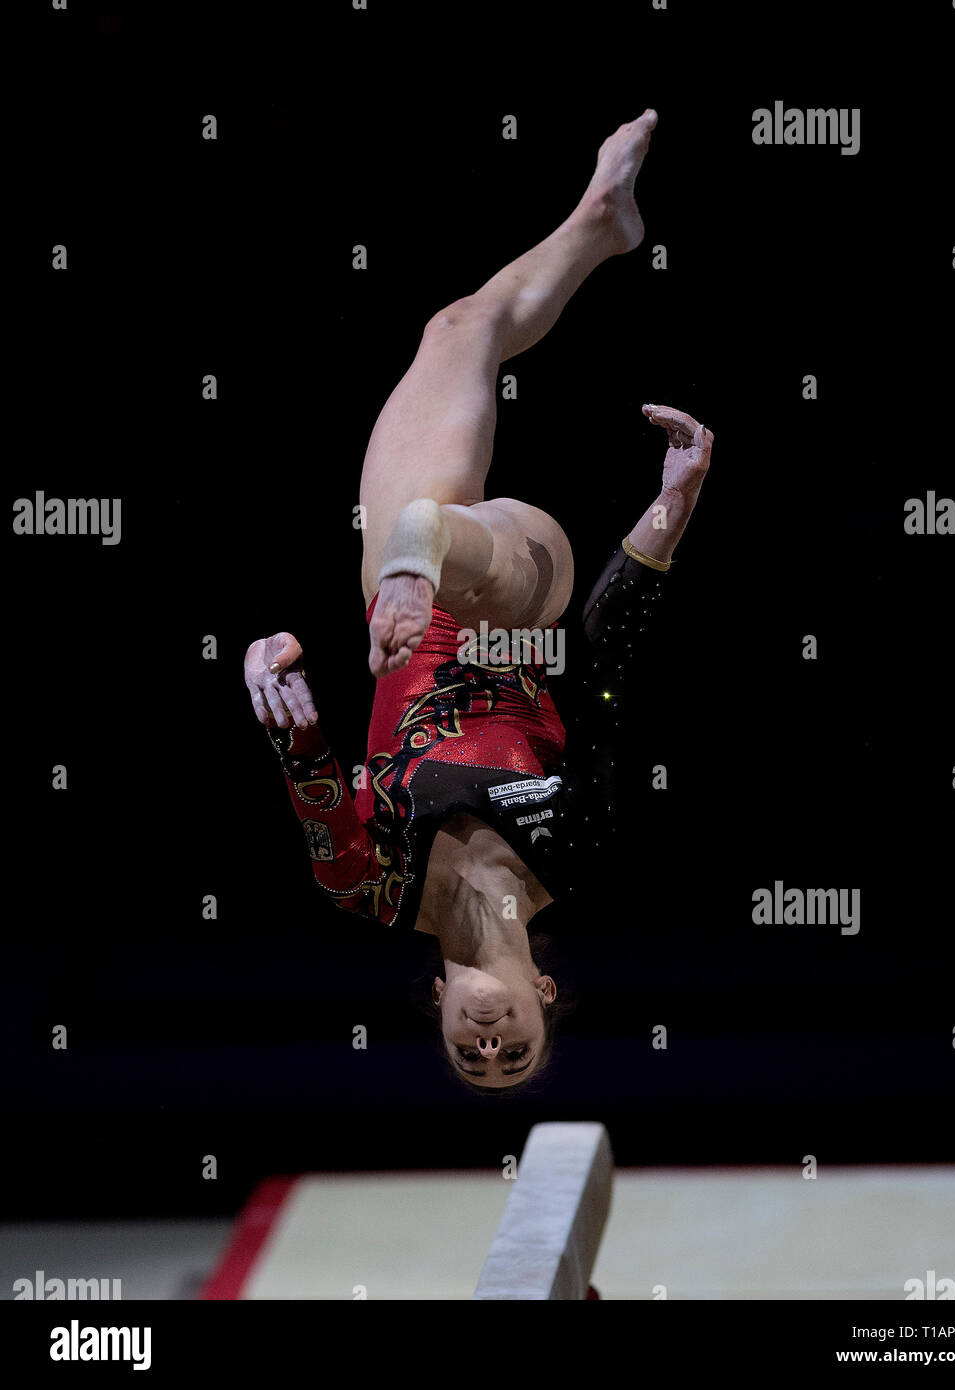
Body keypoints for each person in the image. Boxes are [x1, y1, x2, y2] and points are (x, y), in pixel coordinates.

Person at [244, 109, 714, 1089]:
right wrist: (670, 506)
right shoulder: (573, 847)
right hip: (517, 608)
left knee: (458, 329)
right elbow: (605, 677)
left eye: (471, 1052)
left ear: (439, 1005)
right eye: (514, 1051)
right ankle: (428, 549)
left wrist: (270, 687)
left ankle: (599, 222)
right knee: (482, 573)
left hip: (398, 605)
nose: (489, 1039)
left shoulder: (369, 889)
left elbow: (311, 772)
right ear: (546, 996)